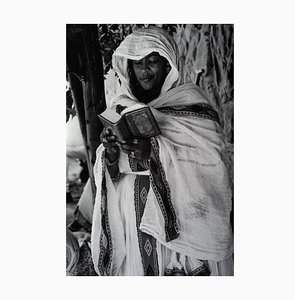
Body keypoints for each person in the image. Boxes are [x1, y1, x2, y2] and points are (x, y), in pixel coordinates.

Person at [91, 26, 233, 276]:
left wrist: (154, 152)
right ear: (129, 69)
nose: (144, 70)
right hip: (131, 216)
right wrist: (111, 154)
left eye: (152, 61)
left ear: (167, 65)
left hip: (183, 218)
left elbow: (211, 163)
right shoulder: (120, 106)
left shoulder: (192, 103)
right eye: (137, 64)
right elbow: (109, 171)